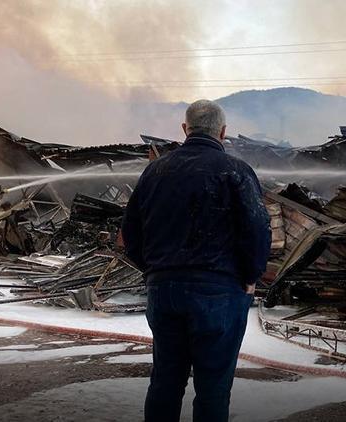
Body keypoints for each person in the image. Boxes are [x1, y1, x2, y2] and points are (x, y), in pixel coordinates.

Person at [122, 99, 271, 422]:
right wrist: (251, 275)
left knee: (165, 382)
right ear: (223, 132)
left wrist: (154, 271)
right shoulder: (236, 171)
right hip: (219, 293)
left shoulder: (155, 171)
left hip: (164, 291)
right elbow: (257, 228)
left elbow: (130, 233)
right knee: (213, 389)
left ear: (185, 129)